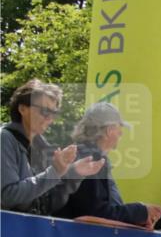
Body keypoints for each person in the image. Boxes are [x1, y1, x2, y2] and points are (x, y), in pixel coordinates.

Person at [2, 80, 103, 214]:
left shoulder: (42, 148)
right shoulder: (4, 139)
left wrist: (73, 173)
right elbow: (7, 196)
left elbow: (48, 205)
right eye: (44, 111)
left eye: (54, 113)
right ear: (22, 109)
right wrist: (55, 172)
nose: (50, 118)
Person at [57, 102, 161, 227]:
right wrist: (140, 211)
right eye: (119, 128)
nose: (121, 134)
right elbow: (95, 214)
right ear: (109, 130)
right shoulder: (91, 159)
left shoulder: (83, 153)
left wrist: (138, 217)